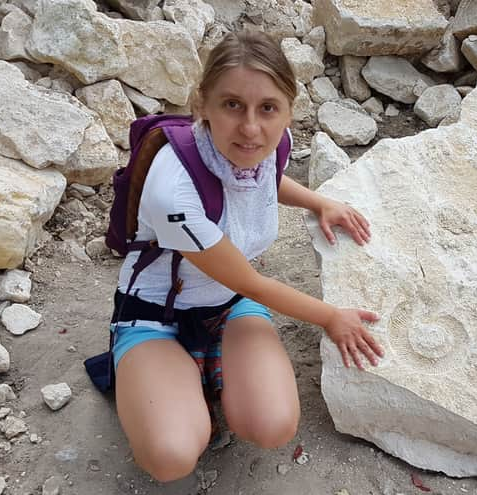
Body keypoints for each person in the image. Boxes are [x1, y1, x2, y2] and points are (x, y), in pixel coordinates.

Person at [110, 30, 384, 483]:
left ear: (289, 110)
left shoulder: (272, 144)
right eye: (232, 105)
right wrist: (332, 317)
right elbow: (251, 282)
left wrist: (318, 202)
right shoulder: (172, 189)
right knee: (171, 456)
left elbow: (261, 178)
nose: (252, 128)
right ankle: (179, 374)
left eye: (267, 108)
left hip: (227, 305)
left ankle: (200, 373)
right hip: (155, 313)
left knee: (272, 426)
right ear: (203, 105)